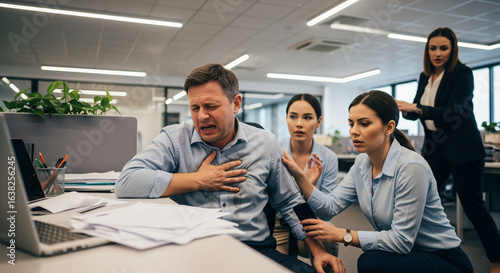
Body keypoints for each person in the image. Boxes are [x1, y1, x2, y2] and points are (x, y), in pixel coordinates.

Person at [115, 63, 344, 273]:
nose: (201, 116)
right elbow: (127, 182)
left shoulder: (266, 144)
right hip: (193, 250)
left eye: (211, 106)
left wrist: (318, 250)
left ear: (236, 104)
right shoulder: (175, 140)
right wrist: (197, 180)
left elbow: (291, 203)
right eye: (194, 107)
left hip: (255, 250)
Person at [282, 90, 473, 273]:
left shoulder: (410, 167)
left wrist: (342, 234)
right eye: (351, 124)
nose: (354, 131)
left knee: (371, 260)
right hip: (409, 254)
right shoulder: (362, 163)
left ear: (389, 127)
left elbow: (401, 241)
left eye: (364, 124)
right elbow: (329, 207)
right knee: (372, 257)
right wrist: (300, 177)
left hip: (443, 258)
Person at [396, 27, 500, 272]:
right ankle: (424, 253)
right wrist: (401, 108)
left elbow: (455, 111)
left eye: (444, 48)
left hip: (465, 149)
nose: (438, 53)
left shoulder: (462, 74)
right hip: (436, 149)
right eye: (433, 48)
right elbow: (416, 113)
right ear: (427, 50)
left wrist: (416, 108)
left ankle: (496, 260)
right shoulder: (425, 77)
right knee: (421, 201)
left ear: (452, 49)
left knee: (474, 207)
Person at [274, 93, 339, 259]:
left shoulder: (328, 157)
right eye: (293, 117)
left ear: (318, 122)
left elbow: (327, 213)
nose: (299, 124)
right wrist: (303, 184)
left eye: (307, 118)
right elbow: (271, 200)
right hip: (279, 224)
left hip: (311, 222)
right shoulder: (274, 150)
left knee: (329, 241)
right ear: (286, 118)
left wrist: (310, 188)